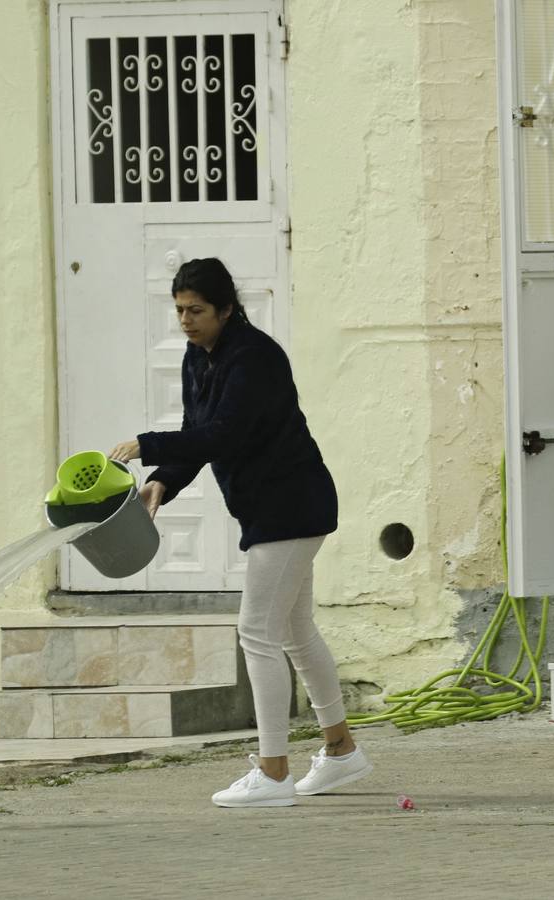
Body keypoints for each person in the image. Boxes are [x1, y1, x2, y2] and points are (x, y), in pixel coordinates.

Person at [109, 257, 371, 808]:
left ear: (226, 309)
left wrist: (145, 444)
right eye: (179, 310)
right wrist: (161, 483)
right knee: (297, 633)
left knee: (257, 633)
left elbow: (225, 434)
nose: (185, 320)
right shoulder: (196, 357)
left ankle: (274, 772)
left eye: (197, 310)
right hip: (274, 510)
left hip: (290, 506)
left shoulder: (256, 357)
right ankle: (341, 752)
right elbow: (197, 435)